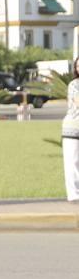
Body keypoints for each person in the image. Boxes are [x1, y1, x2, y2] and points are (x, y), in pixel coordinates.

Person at [64, 56, 79, 202]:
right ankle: (74, 195)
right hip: (73, 128)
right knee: (72, 161)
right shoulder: (74, 84)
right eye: (78, 66)